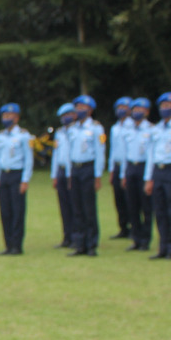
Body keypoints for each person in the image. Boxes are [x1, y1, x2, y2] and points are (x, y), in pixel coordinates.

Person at [144, 92, 171, 259]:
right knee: (160, 211)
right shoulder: (155, 129)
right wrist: (149, 178)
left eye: (168, 106)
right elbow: (151, 155)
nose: (165, 109)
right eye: (162, 106)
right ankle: (162, 247)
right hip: (158, 171)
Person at [66, 94, 105, 256]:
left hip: (88, 169)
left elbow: (100, 153)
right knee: (77, 208)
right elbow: (69, 153)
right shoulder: (72, 128)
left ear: (90, 110)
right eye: (77, 107)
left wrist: (97, 176)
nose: (79, 110)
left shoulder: (96, 128)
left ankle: (91, 244)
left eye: (83, 108)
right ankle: (79, 243)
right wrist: (69, 174)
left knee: (89, 208)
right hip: (75, 168)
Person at [0, 102, 33, 255]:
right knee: (5, 212)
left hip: (17, 175)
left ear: (16, 118)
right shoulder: (0, 136)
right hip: (4, 175)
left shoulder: (23, 135)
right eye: (4, 116)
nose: (6, 118)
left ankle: (17, 245)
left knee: (17, 211)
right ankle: (8, 244)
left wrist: (25, 180)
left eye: (10, 116)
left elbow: (28, 160)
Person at [122, 98, 155, 252]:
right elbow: (124, 154)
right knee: (132, 205)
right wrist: (123, 174)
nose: (137, 113)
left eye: (140, 110)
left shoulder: (151, 130)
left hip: (144, 168)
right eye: (135, 110)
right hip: (131, 168)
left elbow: (151, 156)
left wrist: (149, 177)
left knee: (146, 206)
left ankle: (145, 239)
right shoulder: (128, 130)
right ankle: (135, 238)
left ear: (147, 112)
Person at [50, 104, 76, 249]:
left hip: (72, 171)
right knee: (64, 206)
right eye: (63, 116)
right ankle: (67, 236)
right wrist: (54, 175)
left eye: (68, 115)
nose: (65, 118)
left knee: (75, 205)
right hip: (61, 171)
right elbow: (56, 155)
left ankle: (77, 236)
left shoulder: (77, 131)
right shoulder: (59, 133)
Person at [108, 97, 133, 239]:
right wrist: (111, 170)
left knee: (129, 198)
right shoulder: (115, 128)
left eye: (124, 107)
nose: (121, 110)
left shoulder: (132, 127)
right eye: (119, 107)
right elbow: (113, 150)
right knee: (118, 199)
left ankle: (133, 226)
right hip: (117, 166)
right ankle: (123, 227)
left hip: (128, 166)